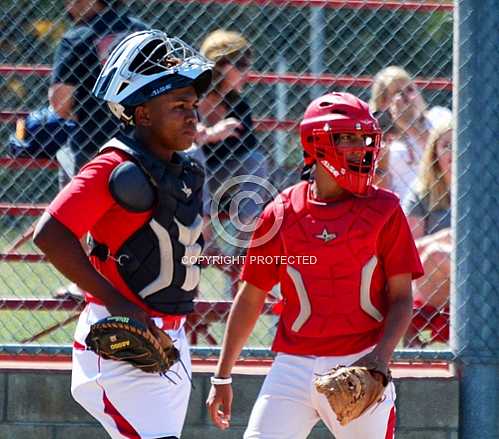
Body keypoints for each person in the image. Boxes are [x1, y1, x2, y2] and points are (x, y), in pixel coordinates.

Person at [206, 92, 424, 439]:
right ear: (316, 143)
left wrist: (379, 360)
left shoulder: (385, 209)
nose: (360, 148)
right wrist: (222, 374)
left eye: (364, 138)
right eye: (347, 138)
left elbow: (401, 298)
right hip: (293, 365)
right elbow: (250, 296)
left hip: (361, 363)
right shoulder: (281, 212)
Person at [34, 30, 213, 438]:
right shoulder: (115, 166)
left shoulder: (184, 170)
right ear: (144, 113)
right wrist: (119, 304)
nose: (192, 117)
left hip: (169, 338)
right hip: (121, 342)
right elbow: (50, 234)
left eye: (194, 106)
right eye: (179, 106)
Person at [49, 0, 147, 183]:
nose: (66, 5)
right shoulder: (143, 33)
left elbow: (60, 103)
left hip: (92, 143)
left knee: (79, 208)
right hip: (143, 143)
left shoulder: (76, 38)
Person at [189, 29, 268, 222]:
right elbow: (177, 145)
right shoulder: (190, 96)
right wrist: (210, 134)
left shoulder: (238, 106)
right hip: (185, 179)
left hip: (220, 181)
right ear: (220, 65)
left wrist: (205, 135)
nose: (247, 73)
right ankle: (206, 243)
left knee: (256, 160)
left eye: (247, 66)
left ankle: (247, 246)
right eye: (240, 65)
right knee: (193, 153)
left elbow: (247, 152)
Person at [369, 66, 451, 201]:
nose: (408, 97)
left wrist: (409, 125)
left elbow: (442, 154)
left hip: (440, 202)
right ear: (383, 103)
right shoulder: (379, 138)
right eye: (398, 93)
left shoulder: (438, 117)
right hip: (401, 209)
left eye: (410, 89)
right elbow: (380, 188)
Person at [403, 121, 452, 346]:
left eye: (458, 144)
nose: (453, 151)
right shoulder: (421, 192)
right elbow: (409, 250)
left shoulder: (488, 188)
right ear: (435, 152)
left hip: (477, 267)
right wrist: (444, 237)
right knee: (435, 254)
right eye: (446, 145)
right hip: (431, 278)